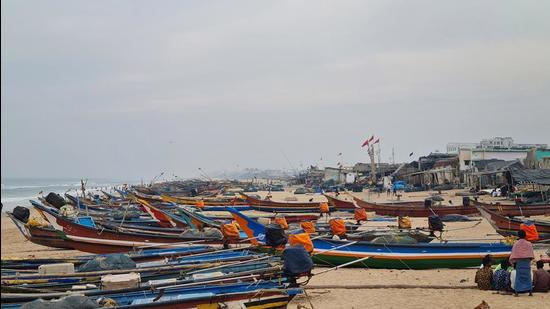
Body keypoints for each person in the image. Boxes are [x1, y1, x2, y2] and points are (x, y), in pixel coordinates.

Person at [509, 230, 535, 296]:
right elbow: (531, 255)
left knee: (518, 278)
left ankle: (517, 293)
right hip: (526, 263)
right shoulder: (529, 244)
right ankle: (530, 292)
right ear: (525, 235)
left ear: (518, 236)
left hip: (519, 263)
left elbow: (513, 255)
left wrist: (513, 263)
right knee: (528, 277)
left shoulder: (516, 244)